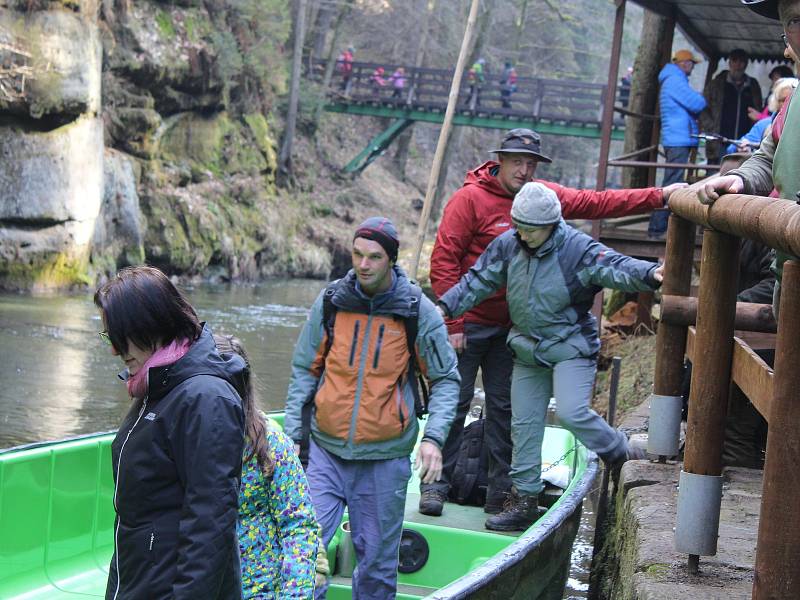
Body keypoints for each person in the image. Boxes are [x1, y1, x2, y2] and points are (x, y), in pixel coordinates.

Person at [419, 127, 686, 518]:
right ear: (500, 161)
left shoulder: (566, 234)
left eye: (531, 163)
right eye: (518, 162)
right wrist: (446, 316)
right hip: (491, 333)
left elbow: (610, 257)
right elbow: (466, 273)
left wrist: (651, 264)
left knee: (535, 414)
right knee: (481, 412)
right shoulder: (486, 216)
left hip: (548, 339)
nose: (525, 170)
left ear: (550, 223)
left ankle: (519, 487)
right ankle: (478, 494)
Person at [284, 217, 460, 599]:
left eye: (374, 257)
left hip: (384, 460)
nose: (363, 265)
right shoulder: (332, 301)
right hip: (324, 454)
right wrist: (295, 440)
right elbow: (304, 368)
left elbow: (447, 380)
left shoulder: (417, 311)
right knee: (301, 554)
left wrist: (433, 438)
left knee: (378, 569)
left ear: (391, 260)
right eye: (357, 254)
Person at [94, 266, 245, 599]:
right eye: (109, 337)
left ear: (150, 325)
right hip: (140, 581)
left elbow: (210, 524)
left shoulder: (206, 399)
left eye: (118, 338)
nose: (114, 351)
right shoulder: (158, 383)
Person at [699, 0, 800, 320]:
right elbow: (769, 153)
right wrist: (740, 178)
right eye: (794, 22)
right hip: (790, 272)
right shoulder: (794, 99)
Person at [212, 334, 320, 599]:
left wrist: (292, 595)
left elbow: (298, 526)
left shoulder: (271, 443)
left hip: (259, 590)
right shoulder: (184, 439)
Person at [649, 49, 707, 238]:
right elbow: (697, 103)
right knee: (671, 181)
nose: (692, 67)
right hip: (677, 138)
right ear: (684, 63)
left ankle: (661, 225)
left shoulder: (673, 79)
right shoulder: (675, 80)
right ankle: (658, 228)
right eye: (691, 63)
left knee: (673, 179)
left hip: (677, 137)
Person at [701, 47, 763, 164]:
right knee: (715, 174)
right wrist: (710, 126)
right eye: (735, 60)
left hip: (744, 141)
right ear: (729, 63)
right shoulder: (716, 83)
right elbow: (703, 107)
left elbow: (758, 108)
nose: (738, 64)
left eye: (742, 61)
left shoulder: (753, 85)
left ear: (745, 64)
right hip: (719, 140)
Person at [725, 77, 798, 154]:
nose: (788, 103)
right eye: (783, 100)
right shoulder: (765, 125)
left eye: (793, 99)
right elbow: (732, 148)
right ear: (776, 102)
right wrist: (742, 147)